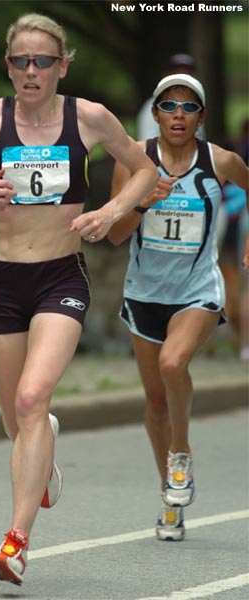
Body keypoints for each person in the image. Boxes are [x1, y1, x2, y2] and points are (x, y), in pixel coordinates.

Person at [0, 12, 158, 586]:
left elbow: (145, 170)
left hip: (61, 277)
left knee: (31, 398)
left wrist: (109, 211)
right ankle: (41, 449)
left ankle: (15, 543)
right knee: (17, 418)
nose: (31, 71)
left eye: (43, 61)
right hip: (0, 281)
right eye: (21, 61)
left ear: (62, 66)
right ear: (9, 67)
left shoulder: (89, 118)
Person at [108, 74, 249, 542]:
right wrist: (143, 203)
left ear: (202, 118)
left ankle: (181, 455)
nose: (178, 115)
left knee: (174, 362)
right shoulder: (133, 159)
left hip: (198, 291)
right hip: (144, 294)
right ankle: (170, 498)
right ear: (156, 113)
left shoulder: (220, 161)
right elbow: (113, 232)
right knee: (154, 403)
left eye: (189, 108)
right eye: (169, 106)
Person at [136, 54, 205, 141]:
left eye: (187, 73)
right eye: (177, 73)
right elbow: (147, 147)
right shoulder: (152, 106)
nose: (182, 77)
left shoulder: (197, 106)